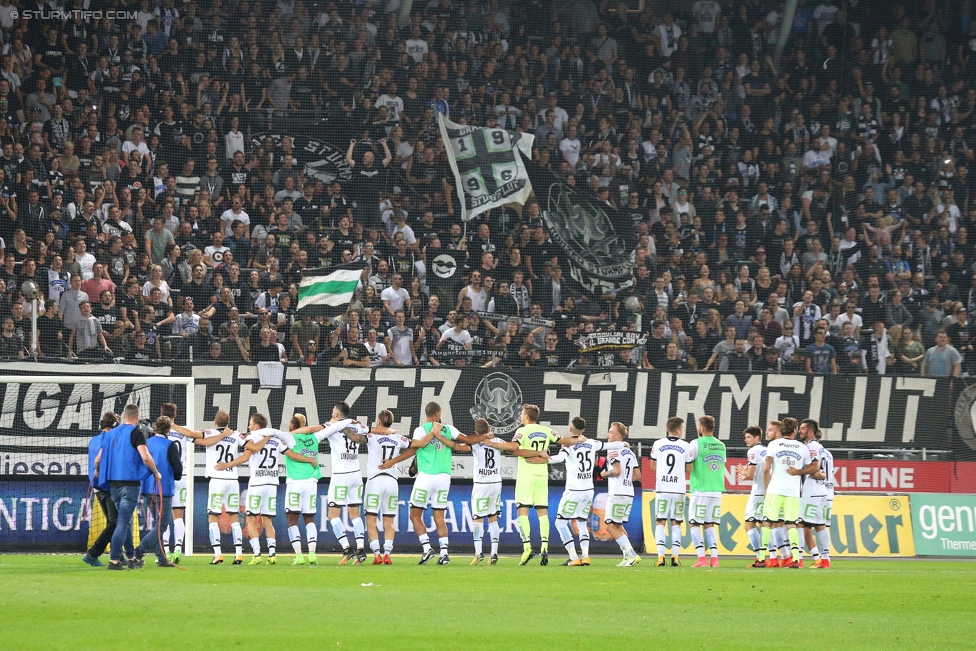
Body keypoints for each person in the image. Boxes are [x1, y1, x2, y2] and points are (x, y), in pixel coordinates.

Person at [379, 401, 489, 565]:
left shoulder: (420, 430)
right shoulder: (449, 429)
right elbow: (467, 440)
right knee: (439, 517)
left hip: (426, 478)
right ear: (437, 414)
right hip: (444, 478)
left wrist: (392, 461)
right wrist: (484, 437)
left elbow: (412, 450)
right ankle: (444, 553)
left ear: (427, 414)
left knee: (415, 515)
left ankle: (427, 548)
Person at [214, 412, 314, 564]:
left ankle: (257, 554)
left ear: (256, 426)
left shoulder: (252, 438)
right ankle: (272, 555)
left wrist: (227, 465)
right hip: (272, 484)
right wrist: (310, 460)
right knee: (268, 520)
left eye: (250, 423)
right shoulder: (276, 441)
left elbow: (246, 457)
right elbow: (292, 455)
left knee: (251, 518)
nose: (248, 426)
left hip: (257, 483)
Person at [290, 402, 370, 565]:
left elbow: (314, 432)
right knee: (355, 514)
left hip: (341, 475)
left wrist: (293, 433)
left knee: (332, 515)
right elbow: (369, 433)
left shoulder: (332, 425)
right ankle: (361, 549)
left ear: (335, 414)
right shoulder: (357, 425)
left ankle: (347, 549)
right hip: (356, 473)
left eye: (333, 412)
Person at [546, 416, 627, 566]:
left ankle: (573, 557)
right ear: (583, 429)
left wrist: (543, 458)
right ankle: (585, 556)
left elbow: (558, 458)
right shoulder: (592, 443)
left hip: (573, 490)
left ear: (571, 429)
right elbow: (608, 446)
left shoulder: (568, 446)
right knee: (582, 523)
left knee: (560, 523)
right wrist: (623, 444)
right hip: (588, 490)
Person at [170, 411, 246, 565]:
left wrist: (172, 425)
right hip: (233, 480)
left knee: (213, 517)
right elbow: (250, 447)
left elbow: (192, 434)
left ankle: (218, 554)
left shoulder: (210, 433)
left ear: (215, 422)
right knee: (234, 518)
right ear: (228, 422)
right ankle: (239, 554)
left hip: (217, 479)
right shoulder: (236, 435)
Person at [93, 403, 161, 570]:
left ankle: (131, 558)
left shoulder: (110, 434)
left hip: (113, 485)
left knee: (126, 522)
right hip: (129, 484)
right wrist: (156, 472)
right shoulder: (136, 433)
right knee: (123, 522)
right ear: (137, 417)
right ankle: (114, 560)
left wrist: (97, 472)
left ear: (124, 416)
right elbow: (145, 457)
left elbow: (97, 460)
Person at [762, 417, 818, 568]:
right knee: (791, 524)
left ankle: (762, 558)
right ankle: (795, 560)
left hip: (775, 489)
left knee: (767, 523)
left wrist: (767, 489)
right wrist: (798, 472)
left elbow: (766, 468)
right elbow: (814, 467)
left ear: (781, 431)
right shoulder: (802, 448)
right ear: (794, 430)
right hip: (793, 492)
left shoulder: (773, 444)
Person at [132, 416, 182, 568]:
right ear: (168, 429)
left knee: (157, 524)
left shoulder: (146, 443)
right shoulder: (170, 445)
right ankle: (139, 551)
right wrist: (175, 475)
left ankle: (162, 558)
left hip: (147, 489)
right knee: (162, 525)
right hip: (164, 489)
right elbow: (178, 469)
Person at [363, 409, 411, 564]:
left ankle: (377, 554)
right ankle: (388, 553)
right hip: (392, 482)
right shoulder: (397, 437)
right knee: (388, 521)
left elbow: (357, 438)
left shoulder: (371, 436)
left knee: (371, 520)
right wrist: (395, 460)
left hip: (375, 481)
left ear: (378, 422)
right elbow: (414, 446)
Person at [650, 416, 694, 567]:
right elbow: (689, 469)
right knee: (676, 522)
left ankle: (660, 556)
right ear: (677, 430)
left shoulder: (658, 443)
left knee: (660, 521)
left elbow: (652, 466)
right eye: (682, 428)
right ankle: (675, 556)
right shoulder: (686, 446)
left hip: (662, 489)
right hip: (679, 490)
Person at [82, 412, 122, 567]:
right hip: (107, 485)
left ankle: (117, 554)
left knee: (113, 522)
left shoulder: (93, 440)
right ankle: (94, 553)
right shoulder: (110, 439)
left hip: (97, 486)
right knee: (116, 521)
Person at [598, 422, 641, 567]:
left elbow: (616, 471)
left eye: (610, 432)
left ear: (618, 436)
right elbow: (637, 475)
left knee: (610, 526)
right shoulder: (630, 452)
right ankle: (627, 557)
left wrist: (604, 474)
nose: (608, 435)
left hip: (617, 492)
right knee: (618, 525)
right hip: (629, 492)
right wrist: (625, 480)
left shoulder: (613, 451)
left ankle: (632, 554)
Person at [687, 415, 726, 567]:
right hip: (717, 490)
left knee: (694, 524)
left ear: (702, 428)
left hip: (700, 489)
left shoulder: (695, 443)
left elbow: (689, 465)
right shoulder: (721, 445)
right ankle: (714, 560)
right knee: (710, 524)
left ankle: (701, 558)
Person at [797, 418, 831, 569]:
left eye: (803, 429)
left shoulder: (811, 447)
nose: (800, 431)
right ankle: (824, 559)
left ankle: (797, 558)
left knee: (799, 523)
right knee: (819, 526)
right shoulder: (824, 450)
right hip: (822, 491)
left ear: (810, 431)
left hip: (812, 491)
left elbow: (815, 470)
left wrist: (797, 471)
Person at [736, 426, 768, 567]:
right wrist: (747, 472)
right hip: (767, 492)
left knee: (749, 525)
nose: (746, 440)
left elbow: (750, 473)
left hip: (757, 493)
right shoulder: (767, 450)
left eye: (749, 437)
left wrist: (744, 471)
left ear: (757, 438)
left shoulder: (753, 451)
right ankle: (776, 557)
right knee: (765, 525)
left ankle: (759, 558)